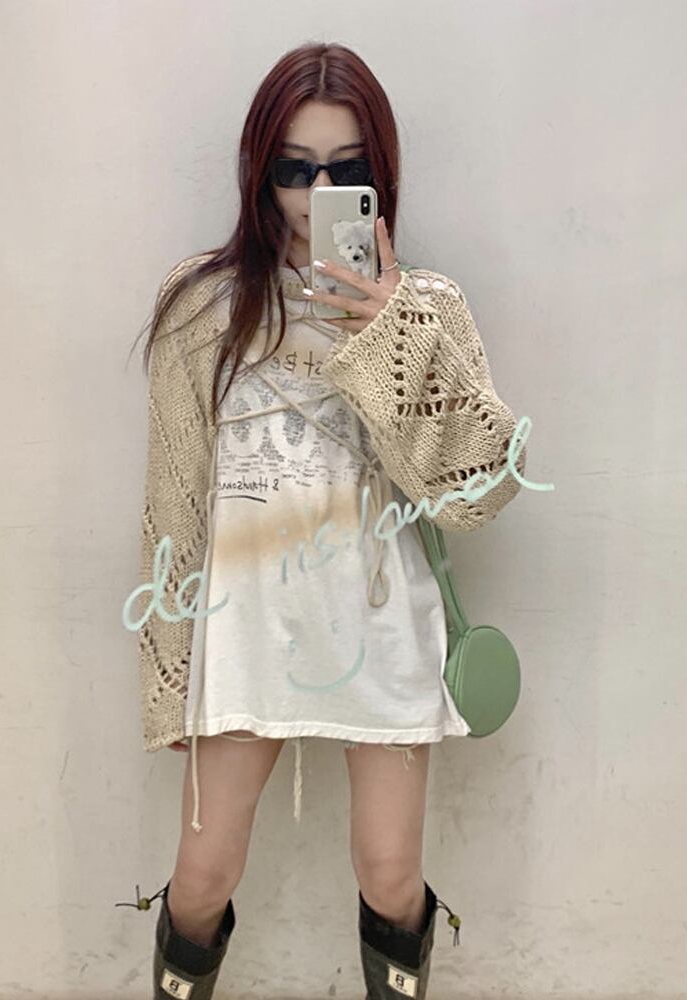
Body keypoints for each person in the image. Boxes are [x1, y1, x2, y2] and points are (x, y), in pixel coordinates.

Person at [132, 41, 528, 1000]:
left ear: (378, 174)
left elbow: (475, 494)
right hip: (243, 631)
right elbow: (174, 502)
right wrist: (165, 674)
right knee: (201, 880)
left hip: (380, 627)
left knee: (391, 877)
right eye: (294, 167)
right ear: (258, 172)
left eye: (345, 169)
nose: (317, 195)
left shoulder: (427, 307)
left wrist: (387, 333)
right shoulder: (203, 306)